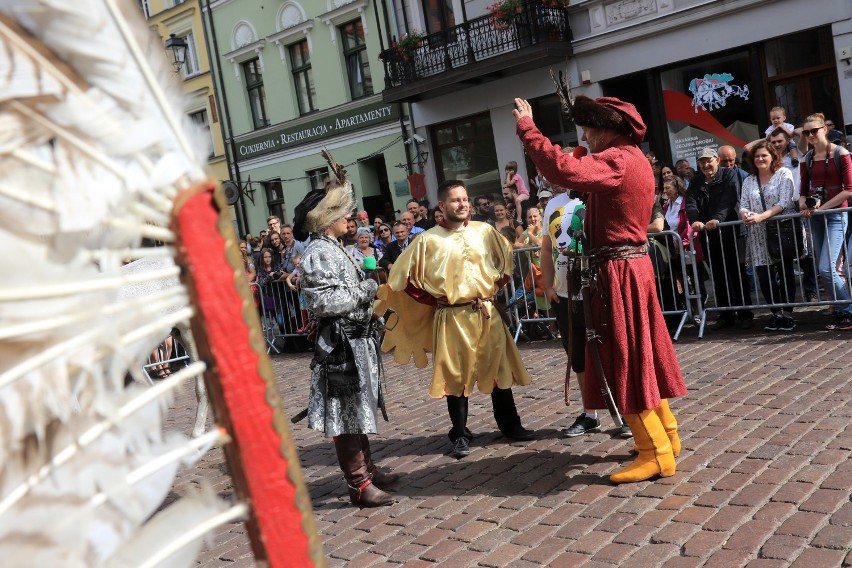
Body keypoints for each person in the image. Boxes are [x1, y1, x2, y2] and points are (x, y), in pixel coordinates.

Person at [515, 92, 686, 484]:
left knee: (621, 357)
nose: (586, 135)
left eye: (590, 128)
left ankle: (654, 452)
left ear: (608, 128)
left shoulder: (617, 160)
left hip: (617, 272)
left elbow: (562, 171)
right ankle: (668, 437)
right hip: (629, 267)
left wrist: (528, 128)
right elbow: (576, 174)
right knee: (641, 354)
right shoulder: (633, 158)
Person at [378, 180, 535, 459]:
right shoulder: (427, 240)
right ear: (442, 206)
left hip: (487, 313)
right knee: (455, 375)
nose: (462, 204)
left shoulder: (485, 231)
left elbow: (506, 260)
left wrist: (493, 288)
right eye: (455, 200)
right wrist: (431, 298)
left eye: (464, 199)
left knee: (499, 369)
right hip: (452, 316)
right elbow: (402, 277)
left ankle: (511, 426)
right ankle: (460, 433)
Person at [292, 162, 397, 508]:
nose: (348, 220)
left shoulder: (335, 247)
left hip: (356, 342)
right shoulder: (319, 252)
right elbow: (325, 301)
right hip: (341, 347)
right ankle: (358, 485)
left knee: (358, 409)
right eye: (343, 214)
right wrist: (366, 290)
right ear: (326, 219)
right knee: (346, 414)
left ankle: (368, 470)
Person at [541, 174, 630, 438]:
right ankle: (590, 413)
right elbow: (546, 249)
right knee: (577, 354)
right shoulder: (552, 204)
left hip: (598, 289)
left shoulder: (598, 199)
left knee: (610, 351)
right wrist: (548, 286)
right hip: (564, 292)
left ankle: (624, 411)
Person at [686, 147, 754, 330]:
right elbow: (690, 202)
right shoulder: (696, 180)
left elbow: (729, 199)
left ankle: (745, 313)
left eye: (709, 160)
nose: (706, 165)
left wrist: (718, 218)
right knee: (718, 275)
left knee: (737, 272)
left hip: (732, 231)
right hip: (710, 236)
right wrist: (695, 221)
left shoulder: (729, 175)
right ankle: (726, 314)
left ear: (716, 160)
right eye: (702, 162)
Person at [799, 113, 852, 330]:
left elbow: (848, 190)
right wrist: (806, 206)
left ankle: (847, 309)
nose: (811, 135)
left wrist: (822, 208)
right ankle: (842, 311)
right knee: (823, 269)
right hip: (817, 217)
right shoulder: (807, 159)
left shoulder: (841, 153)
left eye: (814, 130)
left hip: (836, 215)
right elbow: (802, 193)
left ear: (825, 129)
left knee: (827, 267)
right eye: (806, 132)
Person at [739, 141, 799, 331]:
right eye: (756, 156)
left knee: (785, 272)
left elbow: (784, 202)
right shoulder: (749, 180)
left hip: (780, 230)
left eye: (764, 155)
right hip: (757, 235)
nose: (760, 159)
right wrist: (745, 214)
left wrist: (761, 217)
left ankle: (788, 314)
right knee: (764, 277)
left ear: (773, 156)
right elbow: (743, 203)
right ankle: (776, 313)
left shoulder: (784, 174)